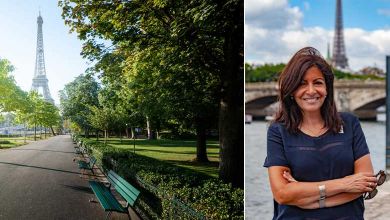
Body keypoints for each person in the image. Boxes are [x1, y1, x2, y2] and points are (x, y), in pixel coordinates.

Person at [263, 47, 382, 220]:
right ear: (291, 90)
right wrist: (345, 183)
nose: (311, 91)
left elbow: (364, 185)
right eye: (302, 83)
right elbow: (282, 194)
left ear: (327, 88)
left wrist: (304, 193)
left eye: (317, 82)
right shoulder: (278, 131)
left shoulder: (350, 124)